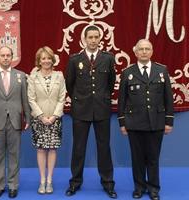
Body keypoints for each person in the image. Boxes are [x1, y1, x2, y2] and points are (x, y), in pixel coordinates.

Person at [65, 25, 117, 198]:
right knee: (78, 148)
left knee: (104, 148)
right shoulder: (74, 59)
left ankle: (108, 183)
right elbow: (70, 84)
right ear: (84, 39)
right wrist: (81, 99)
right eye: (90, 37)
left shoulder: (108, 58)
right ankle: (75, 182)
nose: (93, 40)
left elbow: (110, 83)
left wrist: (101, 98)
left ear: (100, 39)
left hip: (101, 109)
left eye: (96, 37)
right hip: (81, 110)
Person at [117, 39, 174, 200]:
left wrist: (169, 121)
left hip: (156, 122)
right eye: (140, 49)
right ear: (135, 52)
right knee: (137, 158)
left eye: (147, 49)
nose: (144, 51)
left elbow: (168, 98)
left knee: (153, 157)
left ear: (152, 51)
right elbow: (122, 100)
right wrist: (122, 123)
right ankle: (139, 188)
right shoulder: (127, 73)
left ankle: (154, 188)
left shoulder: (161, 70)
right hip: (134, 123)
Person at [0, 46, 31, 198]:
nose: (5, 58)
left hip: (15, 120)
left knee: (14, 154)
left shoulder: (21, 75)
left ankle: (13, 185)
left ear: (12, 57)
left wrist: (28, 118)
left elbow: (24, 99)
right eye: (2, 55)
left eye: (8, 55)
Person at [27, 46, 66, 194]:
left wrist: (55, 116)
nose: (46, 61)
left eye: (49, 58)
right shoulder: (33, 77)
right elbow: (31, 98)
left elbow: (62, 97)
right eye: (43, 58)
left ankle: (50, 181)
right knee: (41, 149)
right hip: (39, 119)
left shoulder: (59, 76)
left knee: (52, 149)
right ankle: (42, 180)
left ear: (53, 60)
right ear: (39, 60)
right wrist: (41, 116)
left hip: (55, 119)